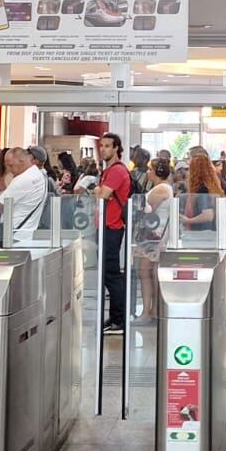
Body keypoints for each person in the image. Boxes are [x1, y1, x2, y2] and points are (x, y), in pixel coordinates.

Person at [91, 132, 133, 333]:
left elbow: (102, 194)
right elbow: (101, 194)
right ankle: (116, 316)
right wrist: (99, 192)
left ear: (116, 148)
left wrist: (99, 192)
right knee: (109, 273)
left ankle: (119, 318)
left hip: (112, 227)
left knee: (112, 274)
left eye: (108, 146)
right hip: (106, 226)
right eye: (102, 146)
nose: (103, 149)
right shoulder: (109, 171)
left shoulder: (116, 171)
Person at [133, 157, 173, 326]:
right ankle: (154, 310)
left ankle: (147, 312)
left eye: (150, 169)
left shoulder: (161, 189)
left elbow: (147, 209)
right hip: (155, 236)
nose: (148, 171)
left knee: (145, 273)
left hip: (153, 237)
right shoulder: (162, 188)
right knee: (152, 274)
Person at [0, 146, 49, 244]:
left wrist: (0, 195)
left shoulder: (23, 179)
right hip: (26, 234)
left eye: (11, 165)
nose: (9, 170)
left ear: (22, 161)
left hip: (12, 234)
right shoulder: (39, 175)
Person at [181, 150, 224, 235]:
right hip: (211, 231)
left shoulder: (202, 189)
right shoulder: (211, 186)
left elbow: (208, 215)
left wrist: (188, 220)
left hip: (202, 233)